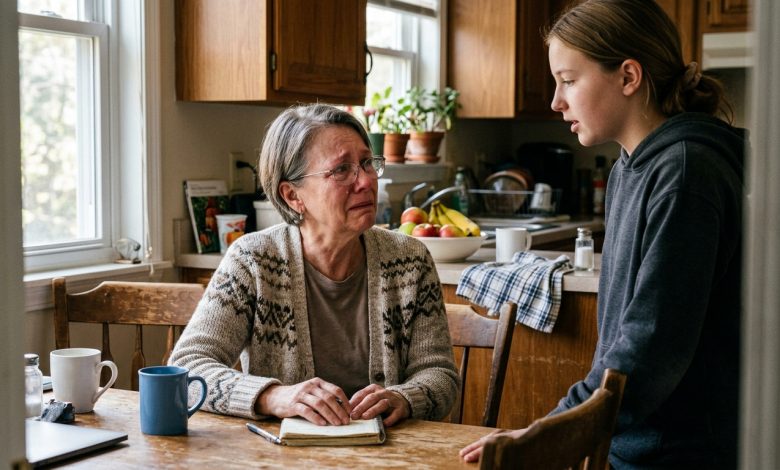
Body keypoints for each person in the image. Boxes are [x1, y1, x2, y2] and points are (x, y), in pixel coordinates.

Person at [460, 0, 745, 468]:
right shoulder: (630, 168)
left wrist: (551, 431)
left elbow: (651, 344)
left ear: (629, 77)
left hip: (684, 452)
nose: (556, 100)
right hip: (634, 442)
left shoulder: (687, 171)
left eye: (569, 80)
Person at [170, 103, 458, 428]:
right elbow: (187, 368)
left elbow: (441, 376)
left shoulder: (410, 261)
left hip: (389, 456)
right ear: (293, 195)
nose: (365, 181)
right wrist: (274, 396)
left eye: (366, 163)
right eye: (341, 170)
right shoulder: (253, 261)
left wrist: (405, 398)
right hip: (282, 458)